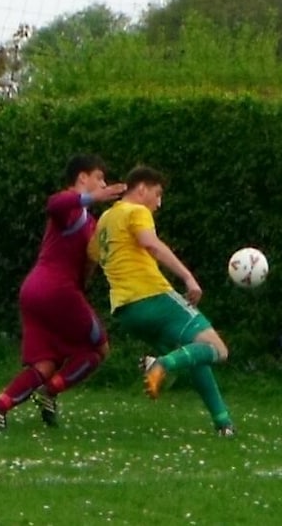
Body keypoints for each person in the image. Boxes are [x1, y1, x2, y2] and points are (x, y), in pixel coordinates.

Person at [0, 155, 127, 430]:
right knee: (99, 348)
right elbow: (54, 204)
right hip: (57, 291)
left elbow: (93, 257)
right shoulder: (70, 205)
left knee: (45, 363)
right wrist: (96, 197)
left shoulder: (88, 220)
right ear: (83, 177)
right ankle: (50, 392)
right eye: (99, 178)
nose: (103, 184)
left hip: (34, 291)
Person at [89, 165, 235, 436]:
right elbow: (151, 244)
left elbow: (95, 256)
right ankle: (161, 364)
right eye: (157, 194)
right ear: (141, 189)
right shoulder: (136, 211)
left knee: (193, 354)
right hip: (152, 296)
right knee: (218, 349)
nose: (159, 203)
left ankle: (223, 423)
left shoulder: (105, 220)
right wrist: (188, 278)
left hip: (126, 312)